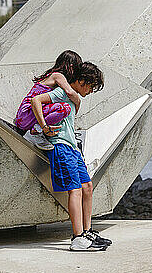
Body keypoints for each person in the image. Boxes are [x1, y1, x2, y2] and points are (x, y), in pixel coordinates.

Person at [30, 62, 112, 251]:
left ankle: (87, 231)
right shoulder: (61, 93)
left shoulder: (73, 98)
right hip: (60, 147)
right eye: (90, 86)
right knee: (74, 190)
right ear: (81, 80)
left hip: (73, 148)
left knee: (87, 187)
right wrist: (45, 127)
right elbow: (36, 101)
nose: (91, 91)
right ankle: (77, 238)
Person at [14, 50, 82, 150]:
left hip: (23, 117)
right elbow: (70, 92)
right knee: (64, 108)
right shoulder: (58, 75)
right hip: (28, 113)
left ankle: (36, 130)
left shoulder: (49, 75)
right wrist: (78, 103)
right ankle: (35, 132)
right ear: (71, 67)